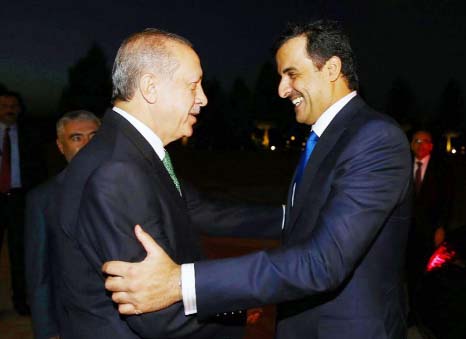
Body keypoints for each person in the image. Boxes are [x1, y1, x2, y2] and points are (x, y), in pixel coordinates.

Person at [103, 20, 412, 339]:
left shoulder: (375, 138)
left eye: (291, 74)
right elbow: (298, 219)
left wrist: (180, 282)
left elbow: (323, 262)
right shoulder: (326, 138)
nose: (282, 89)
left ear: (331, 69)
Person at [52, 29, 281, 338]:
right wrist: (237, 308)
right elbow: (158, 315)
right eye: (193, 85)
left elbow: (202, 211)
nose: (203, 98)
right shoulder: (119, 170)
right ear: (150, 87)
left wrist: (290, 215)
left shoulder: (131, 151)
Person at [24, 110, 100, 339]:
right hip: (75, 324)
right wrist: (47, 331)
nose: (87, 145)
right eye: (77, 138)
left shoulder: (130, 187)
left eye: (94, 137)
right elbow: (39, 276)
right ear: (60, 146)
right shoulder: (42, 200)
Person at [0, 90, 44, 315]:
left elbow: (40, 170)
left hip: (19, 200)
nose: (9, 109)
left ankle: (20, 302)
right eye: (4, 105)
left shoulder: (30, 135)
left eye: (13, 106)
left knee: (20, 254)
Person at [407, 130, 451, 318]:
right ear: (411, 144)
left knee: (423, 271)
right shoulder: (402, 164)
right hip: (405, 229)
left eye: (425, 141)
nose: (420, 144)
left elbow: (447, 200)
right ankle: (407, 306)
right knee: (406, 270)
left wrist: (441, 227)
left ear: (431, 145)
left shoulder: (441, 169)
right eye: (416, 140)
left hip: (429, 230)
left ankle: (420, 312)